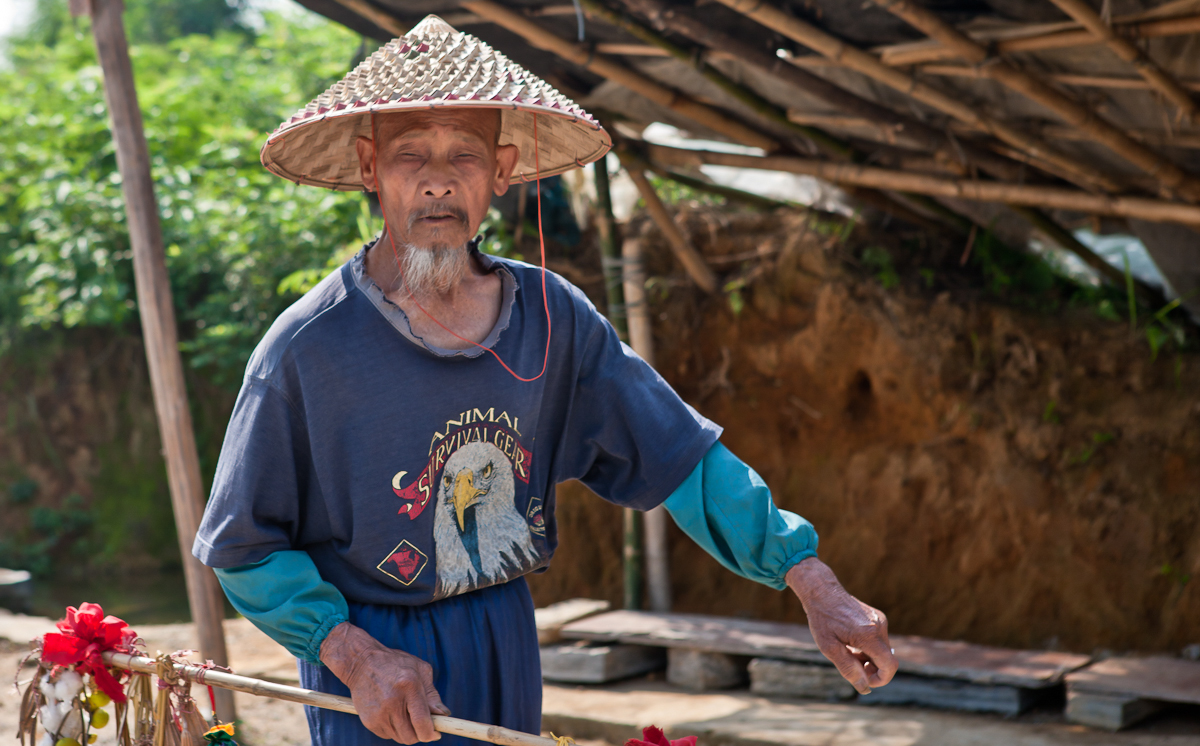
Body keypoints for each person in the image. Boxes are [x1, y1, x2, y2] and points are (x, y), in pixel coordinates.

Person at [193, 15, 896, 746]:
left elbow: (681, 457)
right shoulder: (307, 348)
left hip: (505, 631)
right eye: (410, 155)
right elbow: (242, 546)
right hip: (375, 660)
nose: (438, 180)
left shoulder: (553, 318)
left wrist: (810, 579)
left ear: (501, 172)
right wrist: (353, 655)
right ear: (370, 167)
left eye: (465, 155)